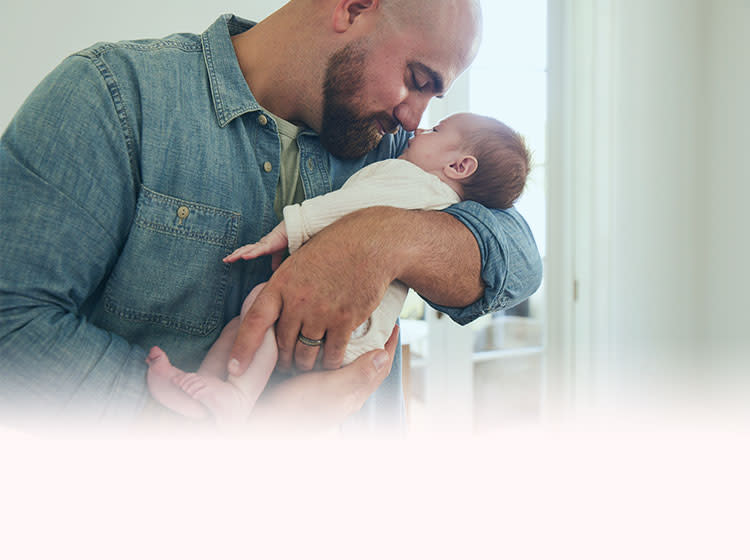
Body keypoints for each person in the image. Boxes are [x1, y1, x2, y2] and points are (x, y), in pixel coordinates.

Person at [0, 1, 542, 434]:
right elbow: (13, 323)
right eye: (417, 79)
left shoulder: (394, 148)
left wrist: (379, 240)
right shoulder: (113, 97)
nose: (413, 116)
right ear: (352, 8)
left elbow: (517, 261)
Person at [145, 112, 531, 426]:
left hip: (345, 330)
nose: (418, 125)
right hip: (360, 341)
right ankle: (208, 391)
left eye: (436, 129)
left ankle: (235, 396)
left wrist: (287, 229)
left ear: (459, 165)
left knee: (257, 311)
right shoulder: (436, 197)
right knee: (244, 328)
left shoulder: (415, 182)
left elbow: (347, 207)